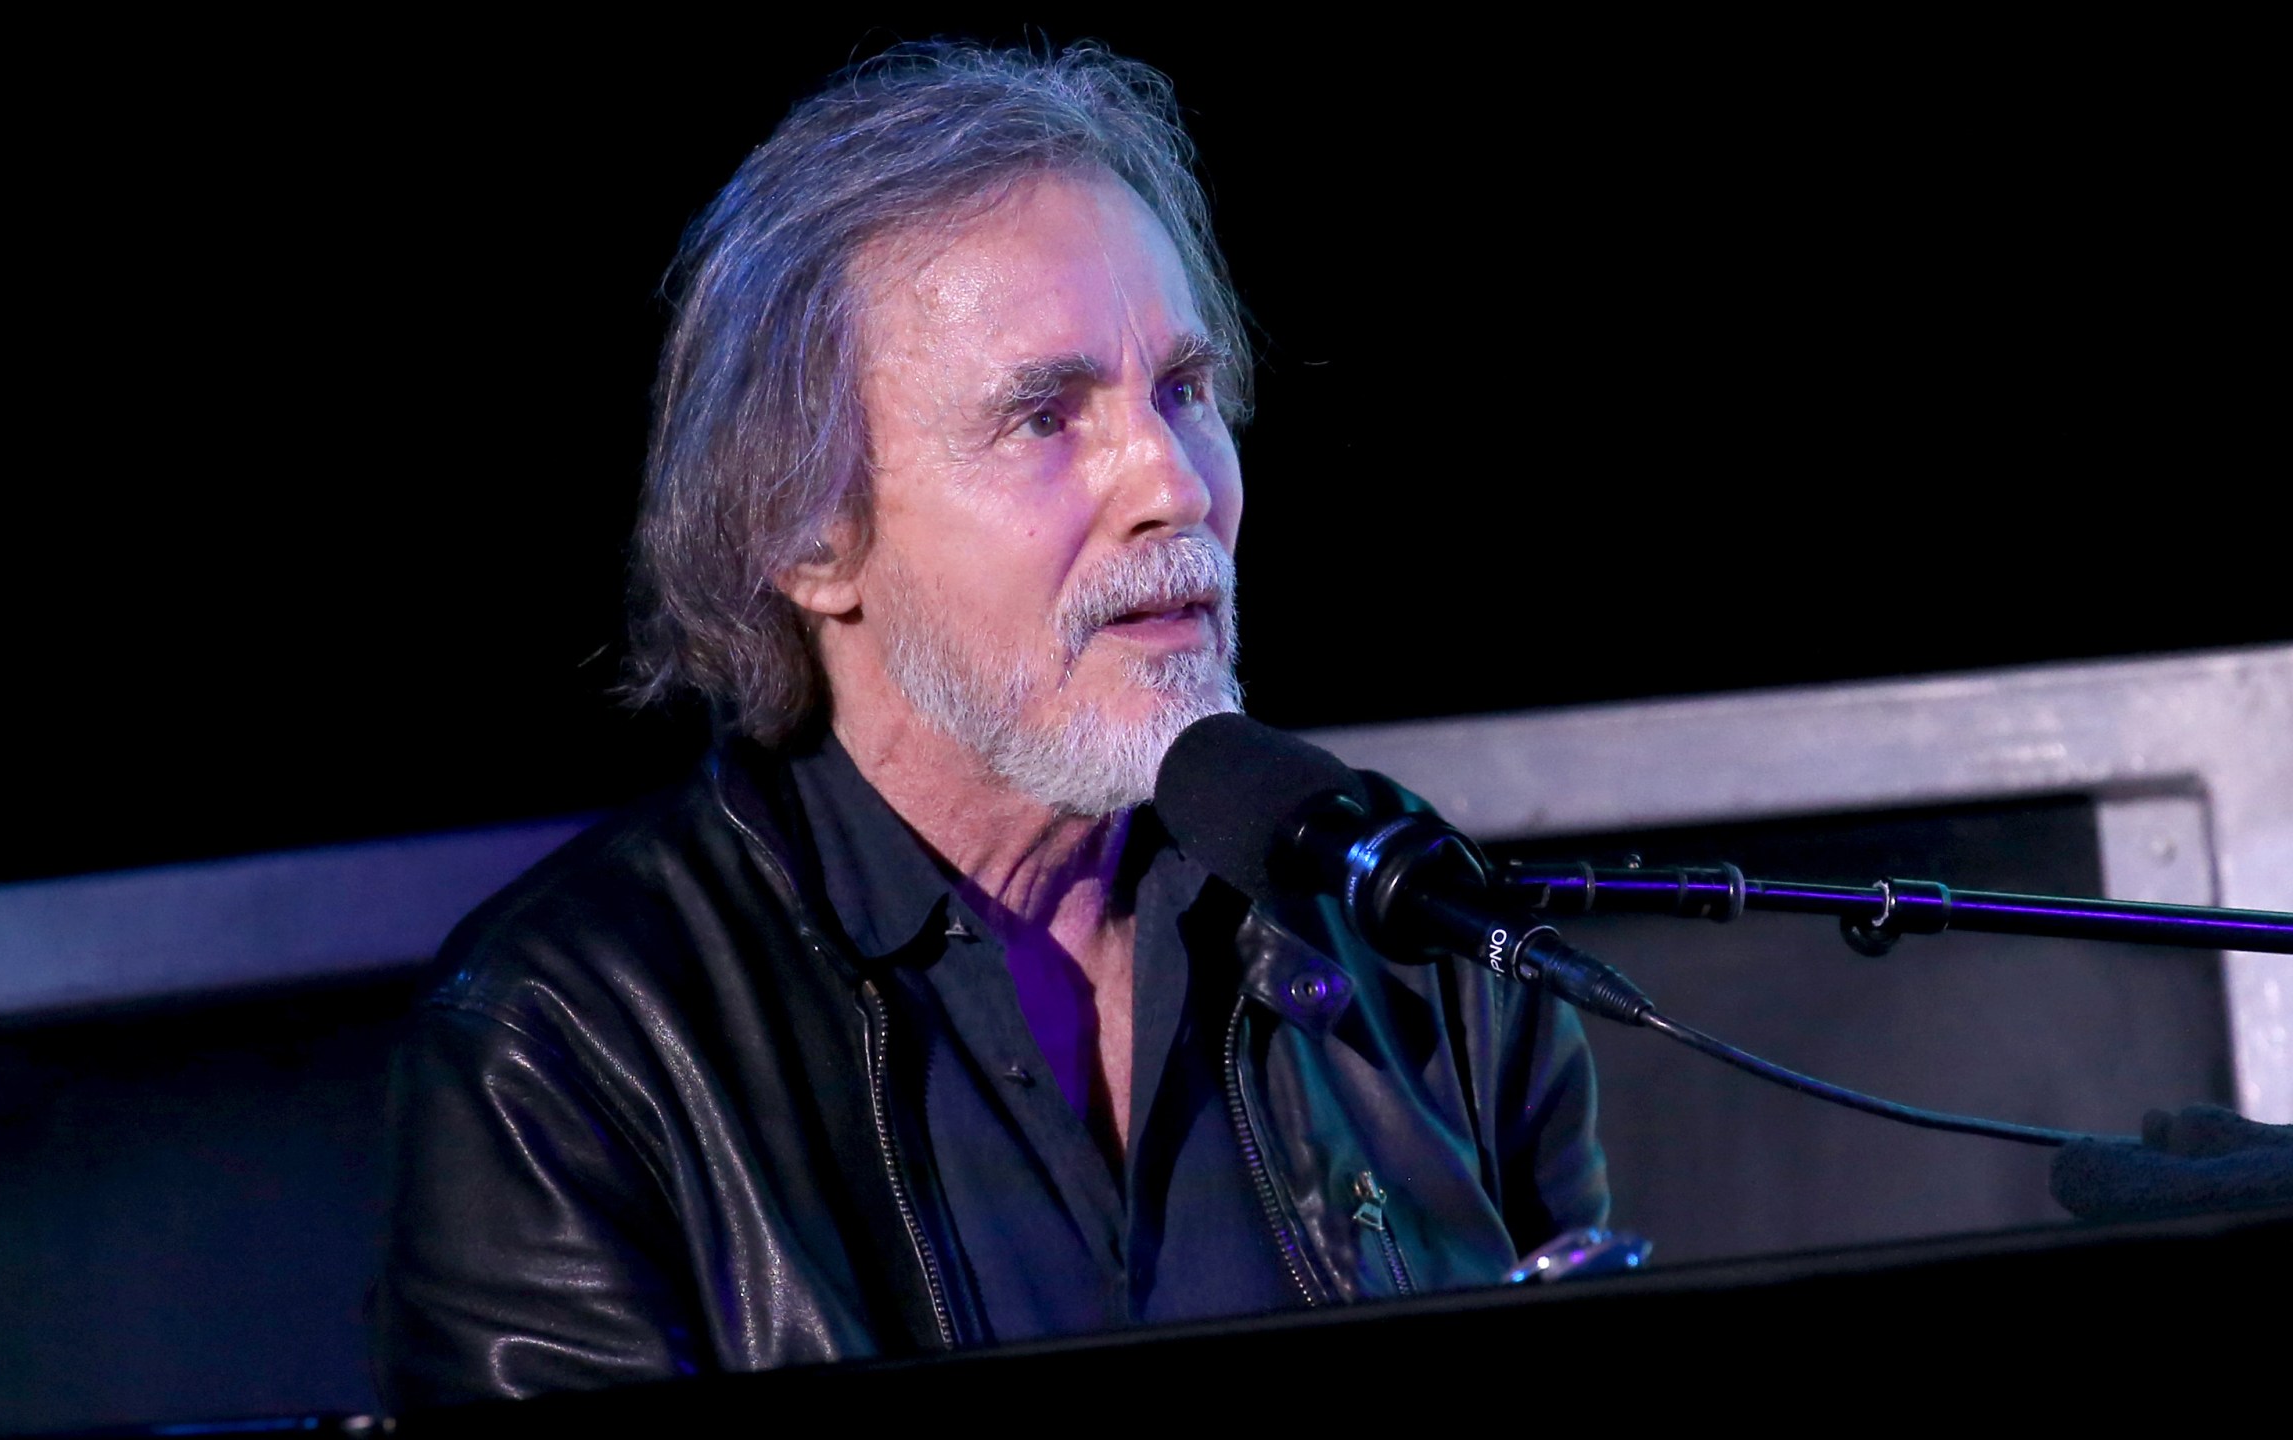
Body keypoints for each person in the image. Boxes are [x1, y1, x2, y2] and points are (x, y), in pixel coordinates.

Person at [375, 41, 1606, 1406]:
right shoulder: (571, 1042)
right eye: (1044, 416)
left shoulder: (1400, 916)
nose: (1172, 484)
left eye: (1184, 391)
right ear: (810, 537)